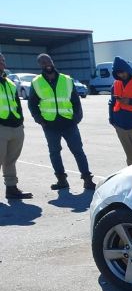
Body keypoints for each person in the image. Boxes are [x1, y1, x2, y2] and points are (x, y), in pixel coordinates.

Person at [27, 53, 95, 191]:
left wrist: (77, 117)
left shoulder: (66, 80)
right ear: (39, 65)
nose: (47, 64)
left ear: (53, 61)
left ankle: (87, 179)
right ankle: (61, 180)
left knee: (78, 151)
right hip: (50, 124)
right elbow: (32, 104)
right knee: (54, 152)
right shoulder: (36, 82)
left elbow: (76, 101)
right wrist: (39, 119)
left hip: (69, 123)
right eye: (43, 62)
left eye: (48, 61)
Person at [0, 52, 31, 200]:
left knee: (11, 160)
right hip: (1, 127)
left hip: (15, 127)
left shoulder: (10, 83)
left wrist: (21, 122)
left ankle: (11, 188)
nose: (2, 63)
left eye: (3, 60)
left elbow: (17, 105)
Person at [109, 57, 132, 165]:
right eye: (118, 73)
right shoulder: (116, 84)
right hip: (120, 125)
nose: (121, 75)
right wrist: (111, 119)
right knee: (130, 156)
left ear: (127, 70)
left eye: (122, 72)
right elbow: (112, 102)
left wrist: (130, 101)